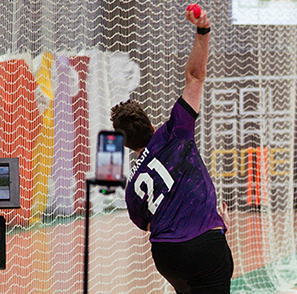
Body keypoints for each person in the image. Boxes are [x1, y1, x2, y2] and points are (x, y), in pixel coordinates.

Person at [113, 8, 232, 294]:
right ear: (151, 123)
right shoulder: (174, 131)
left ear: (125, 144)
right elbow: (195, 76)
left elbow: (146, 225)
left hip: (165, 256)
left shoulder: (133, 185)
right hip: (204, 247)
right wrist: (202, 31)